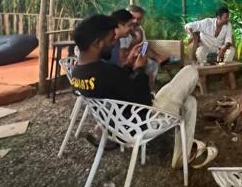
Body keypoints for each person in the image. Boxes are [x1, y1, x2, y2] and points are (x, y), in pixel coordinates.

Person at [72, 15, 215, 166]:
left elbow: (116, 82)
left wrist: (129, 64)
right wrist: (140, 68)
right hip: (143, 122)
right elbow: (143, 99)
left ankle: (182, 157)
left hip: (114, 126)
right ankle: (184, 155)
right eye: (110, 39)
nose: (113, 42)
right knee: (191, 71)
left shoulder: (77, 74)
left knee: (190, 102)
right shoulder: (107, 71)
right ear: (98, 43)